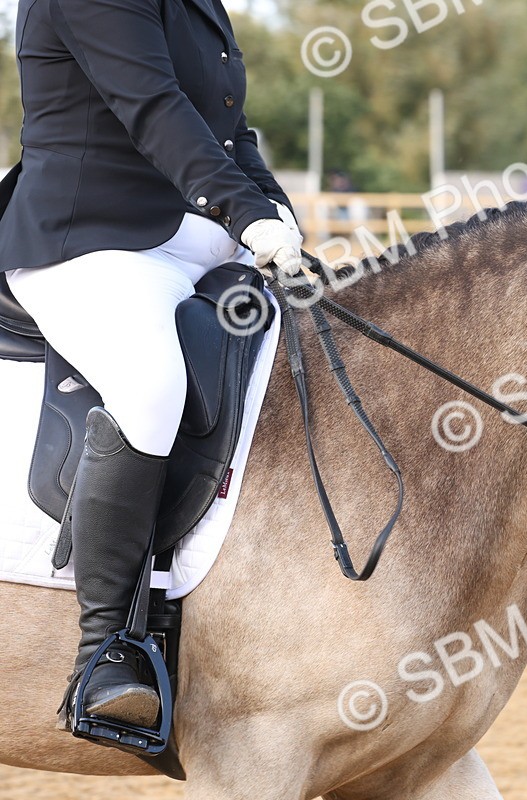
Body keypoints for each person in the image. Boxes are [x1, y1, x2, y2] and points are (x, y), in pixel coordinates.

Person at [0, 0, 307, 736]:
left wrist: (274, 205)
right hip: (89, 242)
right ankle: (108, 649)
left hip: (195, 242)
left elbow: (227, 130)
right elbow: (155, 109)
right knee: (151, 384)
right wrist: (244, 212)